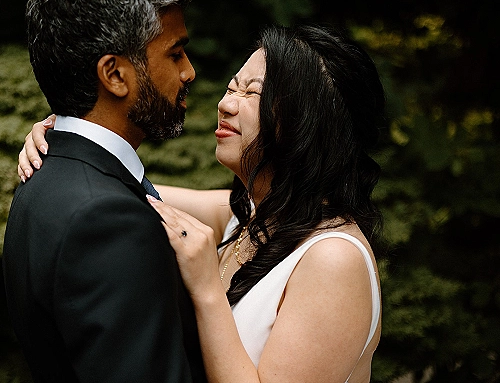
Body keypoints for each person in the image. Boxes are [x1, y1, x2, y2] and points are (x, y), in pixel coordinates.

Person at [19, 24, 385, 382]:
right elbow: (111, 195)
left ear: (308, 124)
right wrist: (71, 137)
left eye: (251, 94)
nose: (224, 104)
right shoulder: (253, 216)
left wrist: (207, 288)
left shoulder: (334, 260)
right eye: (231, 88)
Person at [3, 0, 207, 382]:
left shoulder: (46, 179)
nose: (189, 72)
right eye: (176, 54)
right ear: (114, 74)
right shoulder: (108, 221)